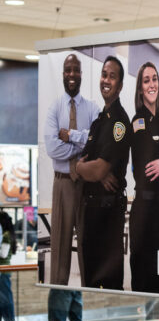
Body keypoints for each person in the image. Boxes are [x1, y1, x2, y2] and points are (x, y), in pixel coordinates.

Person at [75, 56, 132, 290]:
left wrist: (82, 168)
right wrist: (91, 168)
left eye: (112, 77)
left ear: (120, 85)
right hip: (92, 208)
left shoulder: (119, 122)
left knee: (107, 282)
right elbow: (90, 163)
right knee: (90, 279)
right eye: (104, 74)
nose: (106, 80)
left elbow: (96, 168)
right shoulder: (99, 121)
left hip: (108, 211)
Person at [43, 53, 100, 285]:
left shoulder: (92, 108)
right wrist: (81, 149)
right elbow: (52, 147)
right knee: (59, 252)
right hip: (63, 184)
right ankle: (58, 302)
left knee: (89, 248)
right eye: (68, 70)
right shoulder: (55, 108)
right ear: (63, 74)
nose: (72, 74)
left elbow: (97, 141)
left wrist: (71, 136)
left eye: (76, 70)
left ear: (81, 74)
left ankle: (91, 295)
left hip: (87, 186)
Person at [130, 62, 159, 294]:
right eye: (146, 80)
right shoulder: (138, 122)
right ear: (140, 89)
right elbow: (146, 169)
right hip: (145, 209)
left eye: (154, 79)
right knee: (144, 276)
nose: (151, 84)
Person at [0, 210, 17, 321]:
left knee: (6, 298)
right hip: (3, 270)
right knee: (3, 298)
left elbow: (3, 254)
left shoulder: (6, 235)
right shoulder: (8, 234)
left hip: (3, 271)